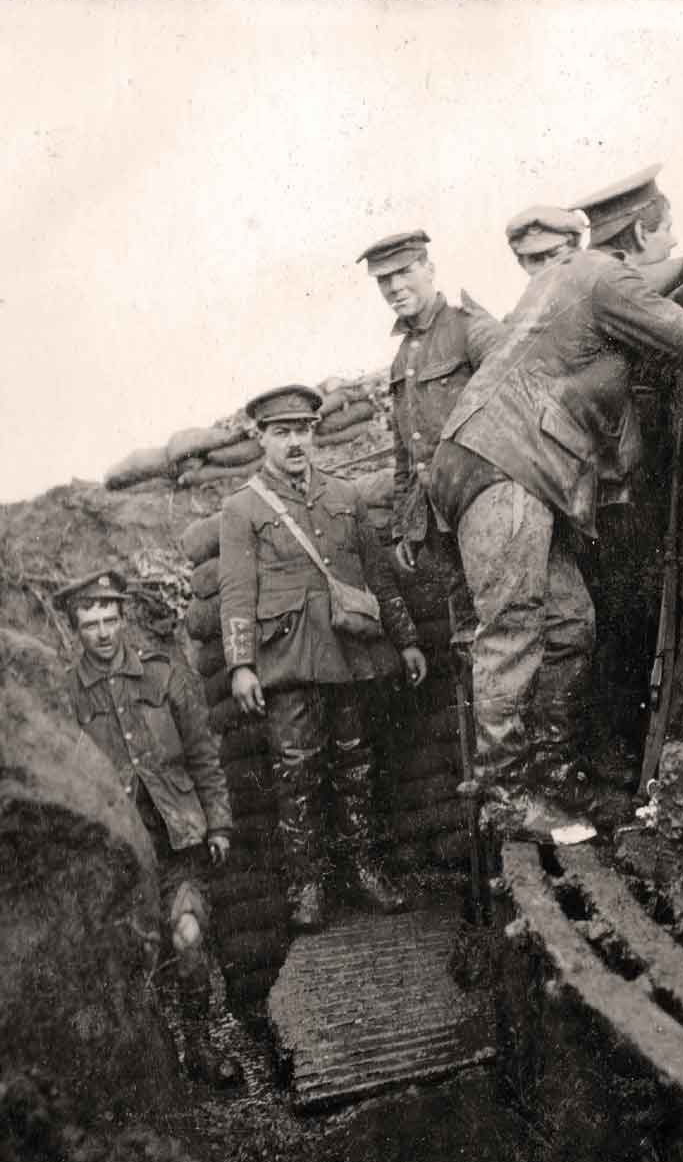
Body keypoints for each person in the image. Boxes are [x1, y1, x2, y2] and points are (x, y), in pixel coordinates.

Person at [429, 164, 683, 843]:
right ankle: (507, 801)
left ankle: (552, 785)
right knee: (511, 631)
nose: (675, 241)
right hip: (502, 466)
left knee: (568, 626)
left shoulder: (570, 278)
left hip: (495, 464)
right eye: (670, 232)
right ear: (646, 230)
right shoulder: (600, 276)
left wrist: (681, 269)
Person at [219, 384, 427, 932]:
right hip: (287, 660)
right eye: (282, 432)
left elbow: (377, 575)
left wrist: (404, 638)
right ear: (261, 438)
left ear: (315, 433)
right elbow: (237, 591)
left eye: (303, 430)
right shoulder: (242, 509)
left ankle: (363, 869)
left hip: (350, 654)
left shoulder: (344, 495)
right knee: (297, 773)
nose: (295, 442)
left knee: (355, 763)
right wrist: (241, 664)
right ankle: (307, 885)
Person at [57, 568, 242, 1088]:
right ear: (76, 629)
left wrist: (219, 825)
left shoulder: (164, 675)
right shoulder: (69, 695)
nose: (103, 632)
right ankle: (154, 1069)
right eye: (90, 623)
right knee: (133, 962)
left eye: (110, 619)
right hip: (116, 855)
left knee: (187, 937)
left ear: (123, 619)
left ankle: (202, 1045)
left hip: (178, 841)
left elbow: (205, 757)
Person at [356, 230, 501, 640]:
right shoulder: (403, 358)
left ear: (430, 268)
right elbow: (406, 454)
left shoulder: (469, 328)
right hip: (442, 524)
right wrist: (404, 526)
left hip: (484, 504)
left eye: (404, 271)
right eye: (384, 280)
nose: (395, 287)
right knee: (467, 632)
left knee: (505, 625)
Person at [505, 205, 587, 277]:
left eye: (555, 255)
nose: (548, 266)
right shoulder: (533, 294)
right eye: (537, 259)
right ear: (522, 264)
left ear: (576, 250)